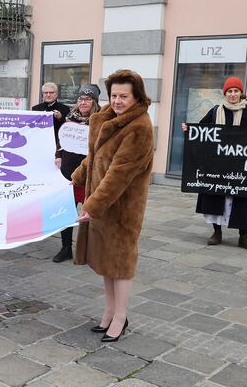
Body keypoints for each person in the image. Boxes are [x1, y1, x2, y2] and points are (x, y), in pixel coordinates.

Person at [72, 69, 154, 342]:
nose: (117, 101)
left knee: (120, 264)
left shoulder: (139, 127)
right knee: (105, 262)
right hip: (101, 205)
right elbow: (93, 158)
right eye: (114, 95)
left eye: (124, 96)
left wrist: (92, 206)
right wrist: (74, 180)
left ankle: (121, 316)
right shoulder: (107, 119)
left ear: (137, 97)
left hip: (121, 209)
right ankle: (109, 311)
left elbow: (118, 175)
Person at [182, 77, 247, 251]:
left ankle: (243, 236)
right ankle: (217, 232)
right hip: (218, 168)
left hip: (240, 169)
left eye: (236, 91)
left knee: (240, 201)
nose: (232, 94)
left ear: (241, 93)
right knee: (215, 197)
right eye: (229, 91)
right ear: (225, 93)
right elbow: (201, 133)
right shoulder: (215, 112)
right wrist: (188, 131)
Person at [52, 83, 101, 263]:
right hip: (68, 173)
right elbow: (61, 140)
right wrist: (58, 155)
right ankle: (66, 248)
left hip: (90, 173)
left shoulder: (101, 120)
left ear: (94, 101)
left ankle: (92, 250)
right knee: (67, 212)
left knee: (92, 213)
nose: (83, 102)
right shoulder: (70, 118)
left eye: (87, 99)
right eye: (81, 99)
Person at [32, 82, 70, 149]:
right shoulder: (36, 109)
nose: (48, 95)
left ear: (56, 94)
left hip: (57, 144)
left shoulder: (65, 109)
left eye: (51, 92)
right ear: (42, 94)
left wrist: (61, 118)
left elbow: (68, 129)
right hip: (40, 143)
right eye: (46, 93)